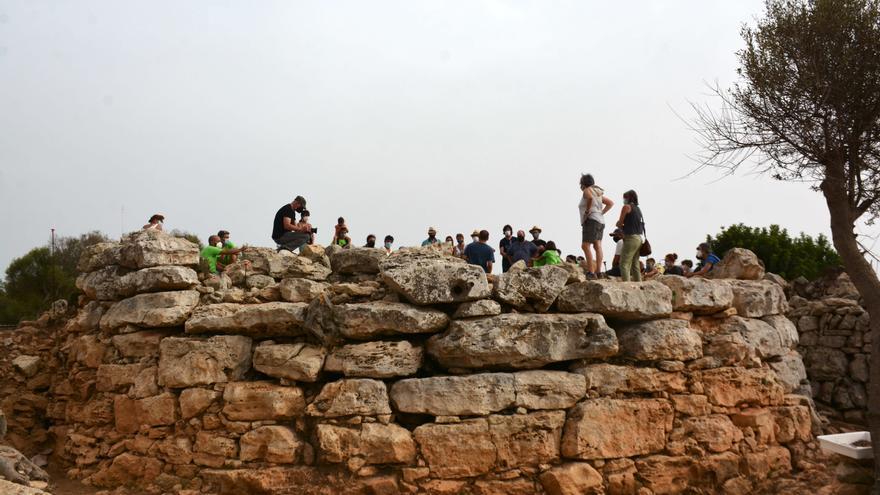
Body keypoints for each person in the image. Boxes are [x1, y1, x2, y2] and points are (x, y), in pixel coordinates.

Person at [579, 174, 615, 279]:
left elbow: (589, 198)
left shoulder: (587, 190)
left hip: (591, 221)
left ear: (583, 183)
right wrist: (601, 212)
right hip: (600, 221)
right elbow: (610, 203)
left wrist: (587, 211)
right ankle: (599, 271)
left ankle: (591, 272)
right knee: (597, 245)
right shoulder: (597, 192)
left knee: (585, 246)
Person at [615, 190, 644, 282]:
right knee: (635, 264)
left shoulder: (626, 207)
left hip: (630, 238)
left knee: (623, 263)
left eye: (625, 197)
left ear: (628, 198)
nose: (624, 199)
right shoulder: (638, 209)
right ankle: (639, 284)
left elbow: (620, 223)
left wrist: (618, 224)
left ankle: (626, 285)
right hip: (639, 238)